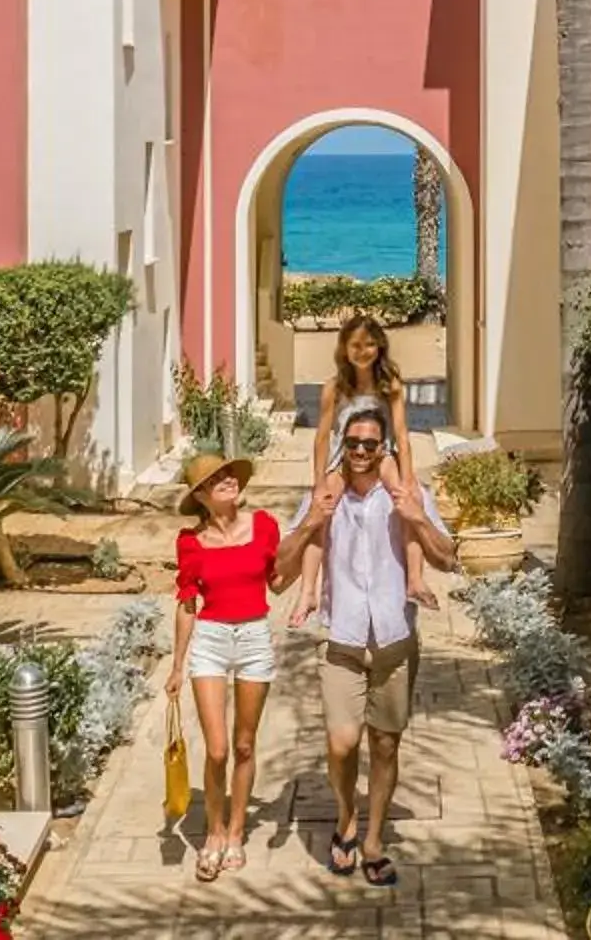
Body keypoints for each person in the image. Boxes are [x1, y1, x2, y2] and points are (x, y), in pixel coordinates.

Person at [273, 397, 456, 891]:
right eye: (352, 443)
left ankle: (371, 839)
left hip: (395, 636)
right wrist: (313, 519)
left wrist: (416, 516)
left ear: (383, 448)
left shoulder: (407, 492)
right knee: (342, 741)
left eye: (369, 444)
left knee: (385, 743)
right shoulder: (323, 495)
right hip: (343, 638)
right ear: (341, 446)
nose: (359, 450)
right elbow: (278, 572)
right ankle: (345, 814)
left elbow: (447, 556)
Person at [164, 452, 278, 880]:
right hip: (211, 640)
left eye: (229, 474)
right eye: (216, 479)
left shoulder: (264, 525)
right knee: (217, 749)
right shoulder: (190, 542)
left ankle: (235, 831)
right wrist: (177, 665)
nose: (228, 480)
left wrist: (307, 542)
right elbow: (187, 603)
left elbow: (277, 581)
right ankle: (212, 832)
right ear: (201, 496)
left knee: (244, 745)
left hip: (253, 637)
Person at [292, 316, 435, 623]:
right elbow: (321, 437)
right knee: (320, 511)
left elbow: (401, 432)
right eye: (356, 345)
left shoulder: (389, 384)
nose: (363, 351)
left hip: (381, 453)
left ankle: (415, 577)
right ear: (344, 347)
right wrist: (318, 482)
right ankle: (307, 591)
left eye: (370, 344)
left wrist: (408, 477)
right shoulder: (335, 388)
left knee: (407, 500)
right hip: (343, 457)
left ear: (379, 347)